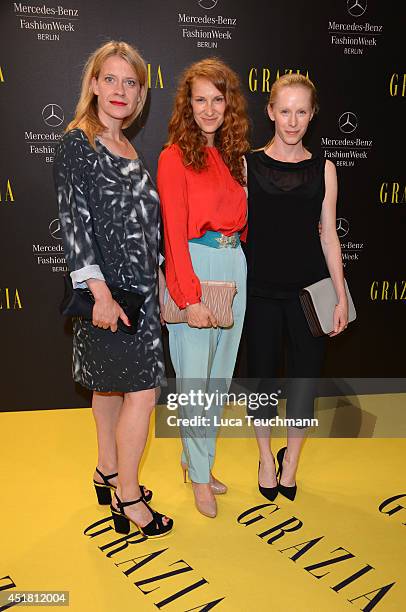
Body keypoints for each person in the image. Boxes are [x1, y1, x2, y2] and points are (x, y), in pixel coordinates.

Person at [53, 41, 173, 537]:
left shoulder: (129, 148)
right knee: (141, 395)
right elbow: (73, 223)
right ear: (94, 84)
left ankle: (107, 469)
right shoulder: (77, 143)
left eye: (131, 82)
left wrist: (162, 281)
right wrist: (99, 293)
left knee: (106, 385)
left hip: (142, 291)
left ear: (141, 92)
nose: (120, 90)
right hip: (110, 296)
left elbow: (148, 226)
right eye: (111, 79)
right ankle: (128, 497)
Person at [245, 73, 348, 501]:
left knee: (305, 382)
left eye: (301, 111)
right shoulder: (246, 164)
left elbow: (329, 235)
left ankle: (292, 462)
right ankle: (267, 458)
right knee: (262, 380)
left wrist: (340, 296)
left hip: (310, 295)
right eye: (284, 110)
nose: (292, 120)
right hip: (259, 293)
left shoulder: (324, 168)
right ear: (270, 111)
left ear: (312, 115)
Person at [157, 58, 249, 518]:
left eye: (217, 99)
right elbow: (173, 233)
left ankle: (200, 461)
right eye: (200, 100)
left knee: (217, 383)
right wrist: (188, 297)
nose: (209, 109)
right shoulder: (173, 157)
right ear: (186, 105)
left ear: (228, 103)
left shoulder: (235, 158)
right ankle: (198, 477)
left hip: (235, 269)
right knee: (195, 384)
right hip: (195, 266)